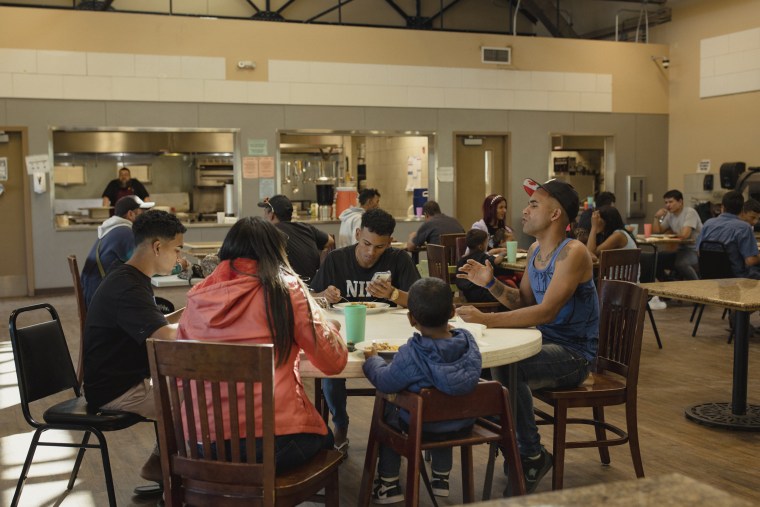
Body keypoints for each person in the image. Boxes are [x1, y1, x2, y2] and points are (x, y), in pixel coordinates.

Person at [456, 178, 598, 494]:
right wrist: (490, 284)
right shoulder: (534, 250)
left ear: (555, 214)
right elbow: (524, 302)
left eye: (534, 204)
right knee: (481, 366)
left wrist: (488, 321)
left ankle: (531, 454)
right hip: (544, 344)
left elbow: (545, 312)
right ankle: (518, 452)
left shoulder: (572, 253)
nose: (525, 210)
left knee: (508, 366)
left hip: (574, 354)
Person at [176, 217, 348, 470]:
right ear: (275, 252)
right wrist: (330, 328)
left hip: (205, 445)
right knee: (327, 442)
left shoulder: (197, 297)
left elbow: (182, 376)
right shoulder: (285, 289)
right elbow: (332, 363)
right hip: (276, 439)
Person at [82, 210, 187, 484]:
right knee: (201, 399)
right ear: (156, 247)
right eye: (176, 250)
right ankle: (180, 475)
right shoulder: (128, 288)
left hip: (123, 382)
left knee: (196, 389)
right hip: (116, 391)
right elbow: (165, 334)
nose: (178, 258)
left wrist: (194, 311)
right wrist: (212, 328)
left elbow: (154, 322)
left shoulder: (131, 278)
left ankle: (163, 465)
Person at [310, 208, 421, 453]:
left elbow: (419, 301)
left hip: (389, 337)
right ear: (358, 234)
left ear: (390, 242)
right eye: (366, 243)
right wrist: (324, 296)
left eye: (380, 247)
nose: (371, 253)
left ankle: (390, 430)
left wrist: (393, 294)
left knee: (400, 369)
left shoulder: (399, 260)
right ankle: (340, 423)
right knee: (331, 372)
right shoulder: (336, 259)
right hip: (345, 334)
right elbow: (311, 299)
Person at [363, 277, 481, 503]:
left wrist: (373, 361)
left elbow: (385, 382)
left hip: (420, 426)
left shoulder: (412, 353)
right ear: (452, 312)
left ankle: (388, 483)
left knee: (390, 408)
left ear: (411, 319)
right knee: (445, 403)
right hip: (463, 422)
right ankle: (441, 478)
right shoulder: (468, 343)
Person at [81, 195, 155, 308]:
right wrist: (177, 267)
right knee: (148, 305)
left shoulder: (114, 229)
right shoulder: (125, 233)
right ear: (131, 214)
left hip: (93, 292)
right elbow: (144, 266)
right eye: (142, 212)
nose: (145, 216)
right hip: (102, 300)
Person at [258, 194, 334, 282]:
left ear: (271, 215)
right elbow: (330, 241)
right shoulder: (306, 227)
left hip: (288, 288)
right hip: (313, 287)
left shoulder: (269, 232)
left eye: (265, 212)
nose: (264, 216)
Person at [697, 191, 760, 279]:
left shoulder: (708, 224)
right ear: (742, 209)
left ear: (723, 207)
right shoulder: (744, 227)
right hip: (736, 276)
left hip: (708, 275)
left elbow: (699, 252)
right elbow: (750, 261)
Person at [652, 189, 703, 281]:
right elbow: (657, 231)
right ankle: (668, 283)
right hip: (681, 250)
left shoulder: (690, 212)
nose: (668, 205)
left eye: (671, 202)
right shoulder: (670, 215)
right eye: (666, 202)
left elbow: (685, 235)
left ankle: (697, 285)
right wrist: (656, 217)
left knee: (681, 264)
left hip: (694, 250)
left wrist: (673, 235)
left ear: (680, 202)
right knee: (654, 259)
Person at [455, 228, 510, 306]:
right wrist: (503, 253)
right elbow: (496, 261)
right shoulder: (483, 257)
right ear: (481, 246)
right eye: (486, 242)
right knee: (507, 287)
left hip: (469, 296)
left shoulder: (462, 260)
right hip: (483, 296)